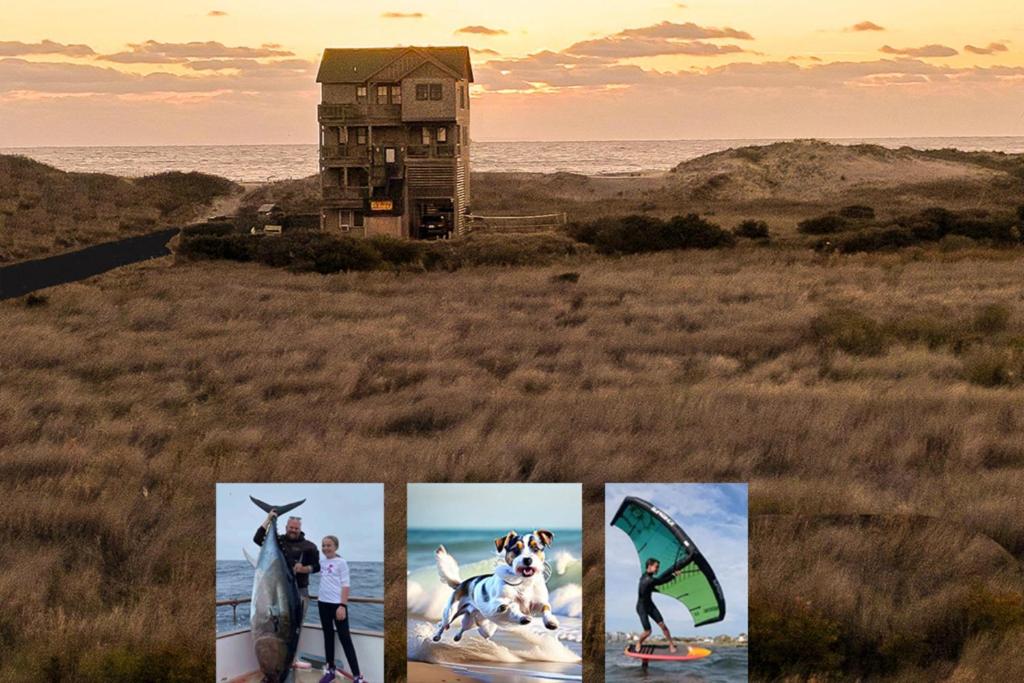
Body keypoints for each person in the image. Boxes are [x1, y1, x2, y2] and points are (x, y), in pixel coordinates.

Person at [254, 510, 320, 616]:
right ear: (286, 528)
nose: (293, 530)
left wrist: (304, 569)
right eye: (291, 528)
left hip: (300, 590)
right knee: (278, 621)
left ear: (300, 529)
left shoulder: (310, 546)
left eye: (296, 528)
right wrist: (269, 519)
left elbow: (317, 567)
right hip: (277, 589)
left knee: (296, 622)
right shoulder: (279, 541)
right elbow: (257, 539)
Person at [317, 535, 364, 683]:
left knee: (345, 639)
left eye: (329, 545)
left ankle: (357, 676)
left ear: (336, 547)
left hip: (337, 605)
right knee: (328, 637)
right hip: (322, 604)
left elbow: (346, 585)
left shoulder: (341, 563)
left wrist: (342, 605)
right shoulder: (322, 562)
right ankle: (330, 670)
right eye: (323, 545)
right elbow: (310, 569)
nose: (325, 548)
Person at [635, 557, 685, 654]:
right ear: (649, 566)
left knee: (663, 626)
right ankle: (639, 642)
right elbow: (662, 581)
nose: (658, 569)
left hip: (650, 605)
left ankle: (671, 644)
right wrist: (674, 575)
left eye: (658, 567)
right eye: (656, 567)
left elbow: (655, 581)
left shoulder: (644, 576)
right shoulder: (649, 580)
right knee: (648, 631)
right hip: (642, 608)